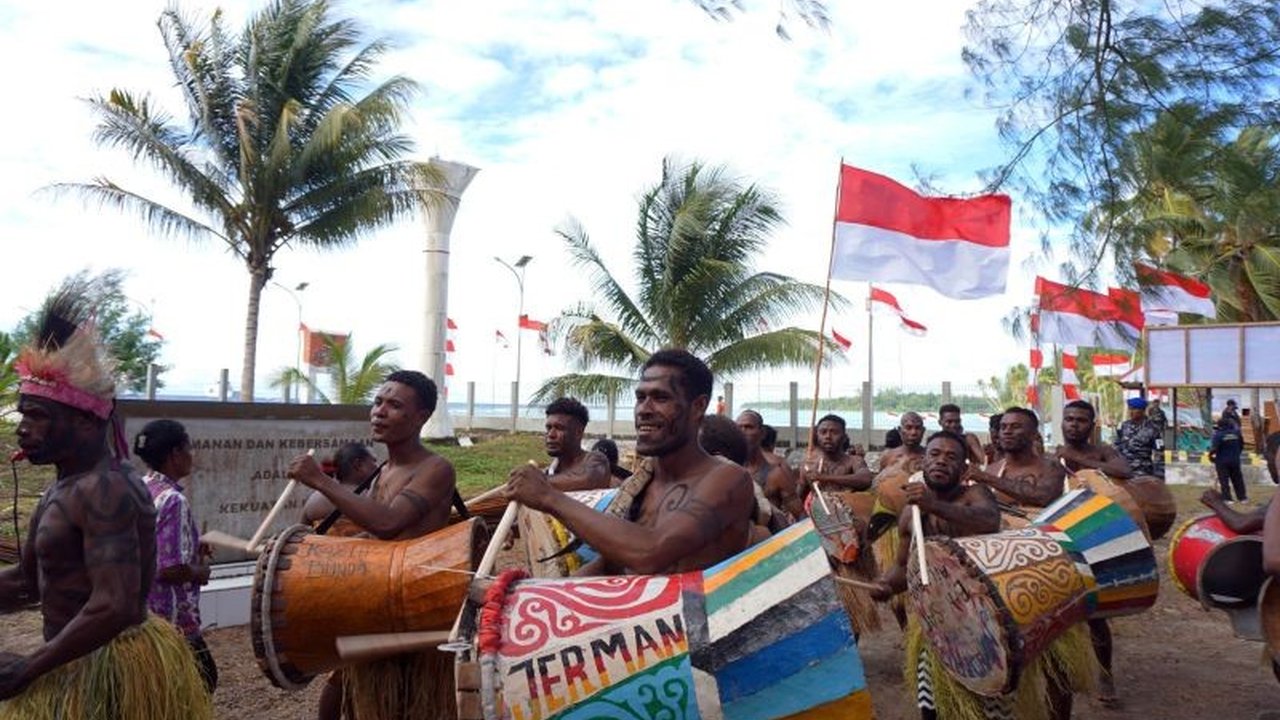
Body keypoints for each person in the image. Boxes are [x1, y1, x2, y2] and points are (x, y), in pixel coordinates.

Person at [2, 279, 211, 718]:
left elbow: (114, 605)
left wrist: (29, 669)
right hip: (70, 664)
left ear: (85, 422)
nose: (23, 429)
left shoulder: (107, 489)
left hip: (107, 673)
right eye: (23, 415)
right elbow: (27, 582)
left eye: (37, 416)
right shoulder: (64, 487)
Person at [288, 370, 458, 720]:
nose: (380, 411)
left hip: (414, 612)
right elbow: (377, 537)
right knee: (347, 686)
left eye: (394, 405)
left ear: (422, 417)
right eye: (378, 402)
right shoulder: (382, 470)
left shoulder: (435, 468)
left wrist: (321, 480)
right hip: (376, 604)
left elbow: (389, 523)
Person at [507, 349, 755, 575]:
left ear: (698, 406)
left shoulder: (728, 480)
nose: (643, 410)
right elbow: (610, 566)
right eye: (640, 397)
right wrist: (540, 595)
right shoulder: (639, 486)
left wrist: (548, 496)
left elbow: (651, 553)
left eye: (660, 398)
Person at [133, 419, 218, 695]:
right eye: (188, 448)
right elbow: (169, 569)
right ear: (175, 454)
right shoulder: (173, 500)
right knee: (202, 681)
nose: (192, 455)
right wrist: (200, 572)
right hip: (170, 620)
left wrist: (193, 546)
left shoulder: (141, 488)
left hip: (142, 612)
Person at [1054, 400, 1130, 708]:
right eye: (1069, 419)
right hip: (1058, 536)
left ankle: (1105, 673)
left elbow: (1124, 470)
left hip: (1095, 537)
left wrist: (1079, 461)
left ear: (1091, 425)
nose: (1073, 424)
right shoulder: (1052, 455)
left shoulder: (1102, 452)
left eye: (1081, 420)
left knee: (1096, 614)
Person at [968, 407, 1066, 518]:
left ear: (1034, 434)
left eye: (1015, 427)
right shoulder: (992, 469)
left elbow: (1044, 497)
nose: (1007, 431)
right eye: (1003, 427)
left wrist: (986, 478)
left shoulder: (1051, 467)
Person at [301, 442, 381, 535]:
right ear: (358, 465)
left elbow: (301, 534)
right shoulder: (372, 497)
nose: (377, 466)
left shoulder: (315, 498)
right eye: (374, 461)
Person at [737, 410, 804, 520]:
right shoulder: (728, 470)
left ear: (762, 433)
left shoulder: (777, 474)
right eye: (739, 428)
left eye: (749, 427)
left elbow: (801, 515)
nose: (743, 432)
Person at [540, 397, 611, 490]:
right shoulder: (550, 471)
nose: (551, 435)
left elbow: (590, 479)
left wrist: (537, 481)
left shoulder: (594, 460)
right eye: (548, 428)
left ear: (578, 432)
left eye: (559, 428)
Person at [802, 414, 870, 493]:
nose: (828, 436)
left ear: (844, 437)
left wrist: (823, 477)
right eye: (823, 432)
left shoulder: (854, 461)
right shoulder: (809, 464)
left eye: (834, 432)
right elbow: (798, 496)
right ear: (817, 436)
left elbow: (865, 479)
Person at [1116, 397, 1165, 478]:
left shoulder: (1152, 429)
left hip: (1142, 471)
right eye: (1130, 409)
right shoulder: (1123, 426)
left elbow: (1159, 453)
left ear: (1142, 410)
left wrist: (1159, 474)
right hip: (1123, 469)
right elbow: (1117, 445)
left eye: (1134, 409)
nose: (1131, 412)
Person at [1209, 417, 1247, 503]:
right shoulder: (1237, 434)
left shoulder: (1218, 435)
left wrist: (1211, 456)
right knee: (1238, 479)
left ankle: (1227, 498)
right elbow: (1241, 445)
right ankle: (1242, 498)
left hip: (1222, 461)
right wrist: (1237, 454)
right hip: (1235, 460)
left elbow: (1214, 448)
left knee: (1224, 480)